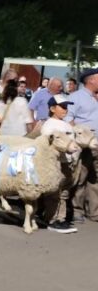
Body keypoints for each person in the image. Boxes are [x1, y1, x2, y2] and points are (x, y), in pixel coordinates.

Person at [40, 94, 78, 233]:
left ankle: (60, 218)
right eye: (62, 107)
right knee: (54, 192)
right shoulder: (49, 125)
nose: (65, 110)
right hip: (56, 163)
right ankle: (51, 219)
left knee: (64, 192)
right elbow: (49, 144)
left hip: (67, 163)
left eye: (66, 107)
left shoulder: (67, 124)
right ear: (52, 108)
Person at [66, 68, 98, 222]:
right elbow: (68, 118)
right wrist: (79, 135)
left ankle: (94, 212)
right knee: (80, 177)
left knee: (95, 179)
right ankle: (76, 210)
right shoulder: (76, 97)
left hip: (97, 144)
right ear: (91, 80)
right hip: (85, 145)